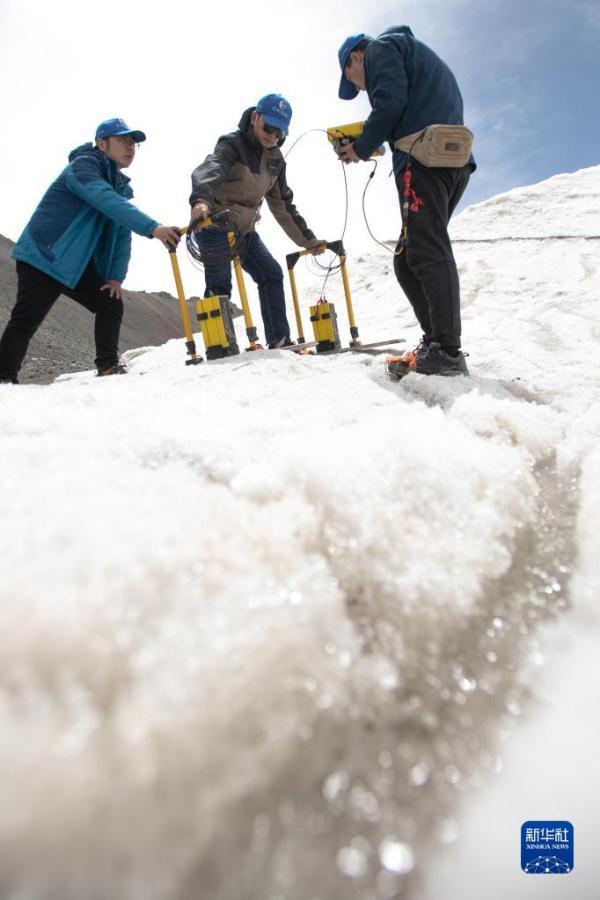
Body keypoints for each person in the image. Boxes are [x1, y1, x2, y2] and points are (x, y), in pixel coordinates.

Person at [336, 27, 476, 377]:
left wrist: (362, 146)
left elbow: (390, 101)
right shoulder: (410, 53)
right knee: (407, 258)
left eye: (354, 81)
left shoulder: (380, 49)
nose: (360, 88)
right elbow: (403, 105)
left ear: (356, 57)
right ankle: (436, 343)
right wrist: (378, 138)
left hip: (422, 162)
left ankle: (446, 350)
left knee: (426, 248)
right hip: (450, 161)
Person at [0, 118, 181, 384]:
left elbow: (121, 235)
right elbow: (102, 198)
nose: (130, 147)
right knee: (26, 320)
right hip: (45, 256)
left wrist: (115, 278)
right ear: (101, 143)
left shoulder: (120, 188)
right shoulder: (83, 167)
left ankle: (107, 366)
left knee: (110, 301)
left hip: (75, 265)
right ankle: (4, 380)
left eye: (133, 143)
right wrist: (153, 228)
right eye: (123, 141)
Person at [189, 94, 324, 349]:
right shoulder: (232, 144)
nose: (272, 135)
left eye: (279, 132)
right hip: (214, 221)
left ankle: (279, 339)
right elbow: (212, 168)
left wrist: (309, 241)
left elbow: (283, 205)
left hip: (244, 229)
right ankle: (220, 345)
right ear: (255, 118)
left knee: (271, 274)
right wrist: (200, 200)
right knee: (220, 281)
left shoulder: (276, 162)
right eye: (268, 127)